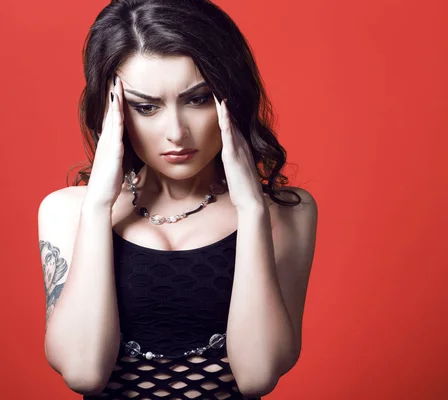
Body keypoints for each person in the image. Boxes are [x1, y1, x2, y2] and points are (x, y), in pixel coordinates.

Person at [37, 0, 318, 398]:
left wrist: (252, 209)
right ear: (113, 111)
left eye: (198, 99)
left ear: (231, 96)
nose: (176, 133)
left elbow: (257, 374)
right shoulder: (66, 211)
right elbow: (84, 372)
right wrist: (98, 206)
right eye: (146, 107)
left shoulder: (287, 211)